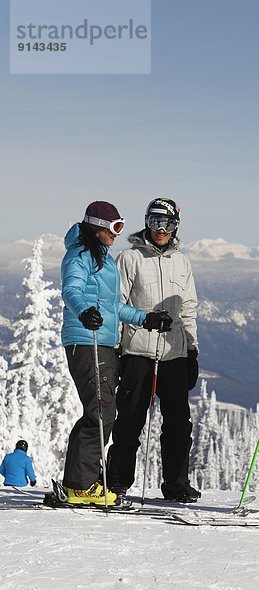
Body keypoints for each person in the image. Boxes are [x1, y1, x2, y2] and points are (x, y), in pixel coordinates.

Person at [61, 201, 172, 506]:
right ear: (98, 227)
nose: (117, 235)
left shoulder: (104, 259)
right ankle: (81, 485)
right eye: (115, 228)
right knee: (101, 411)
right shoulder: (80, 255)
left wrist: (146, 319)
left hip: (103, 340)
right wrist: (84, 312)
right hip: (86, 339)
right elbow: (71, 290)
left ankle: (81, 481)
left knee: (102, 410)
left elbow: (113, 307)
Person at [107, 198, 201, 503]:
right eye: (156, 222)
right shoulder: (130, 258)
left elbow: (188, 309)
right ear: (147, 222)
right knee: (130, 419)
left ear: (176, 227)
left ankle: (176, 483)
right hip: (138, 352)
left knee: (178, 424)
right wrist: (119, 346)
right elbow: (115, 304)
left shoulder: (181, 262)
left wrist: (191, 349)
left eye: (168, 224)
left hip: (173, 354)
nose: (161, 229)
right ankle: (118, 481)